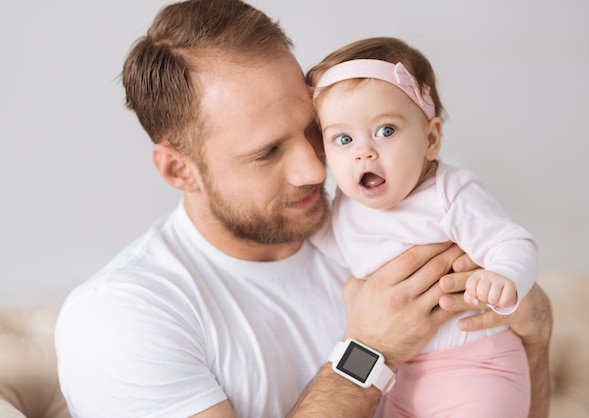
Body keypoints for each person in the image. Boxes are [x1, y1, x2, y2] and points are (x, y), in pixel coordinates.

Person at [54, 1, 552, 417]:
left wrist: (536, 338)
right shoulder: (119, 319)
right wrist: (369, 353)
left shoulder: (372, 223)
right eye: (267, 152)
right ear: (179, 170)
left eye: (316, 130)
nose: (315, 169)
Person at [307, 37, 539, 417]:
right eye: (343, 139)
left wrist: (503, 275)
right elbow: (329, 240)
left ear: (430, 139)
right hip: (400, 376)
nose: (364, 151)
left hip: (477, 367)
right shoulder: (346, 207)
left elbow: (512, 241)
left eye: (385, 131)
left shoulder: (449, 192)